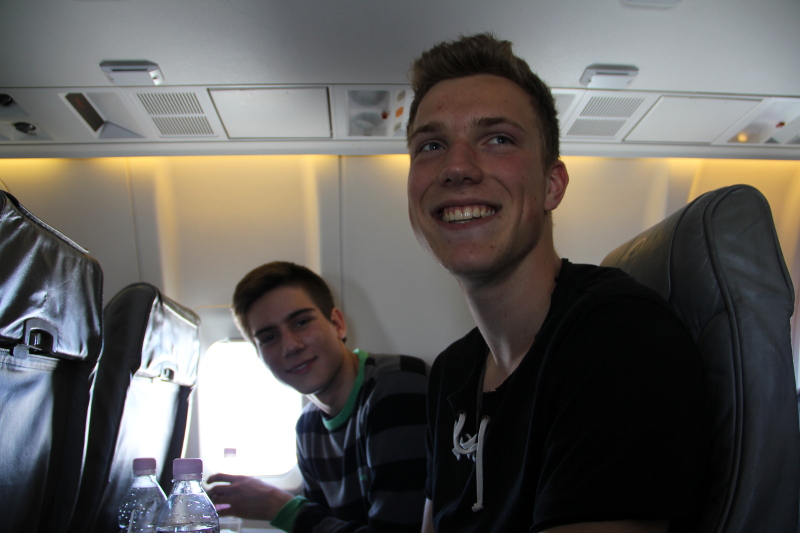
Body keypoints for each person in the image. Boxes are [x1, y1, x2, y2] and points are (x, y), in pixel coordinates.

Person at [405, 33, 706, 532]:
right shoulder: (451, 373)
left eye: (498, 139)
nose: (456, 167)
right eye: (431, 145)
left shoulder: (619, 341)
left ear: (552, 185)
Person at [207, 261, 428, 532]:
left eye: (301, 322)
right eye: (269, 338)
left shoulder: (397, 389)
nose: (290, 346)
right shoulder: (308, 428)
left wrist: (281, 509)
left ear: (337, 324)